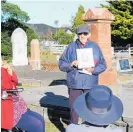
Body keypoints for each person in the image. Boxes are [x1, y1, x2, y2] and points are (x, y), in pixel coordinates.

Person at [59, 24, 107, 124]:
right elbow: (61, 64)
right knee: (74, 110)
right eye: (80, 33)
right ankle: (74, 128)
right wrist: (71, 64)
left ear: (89, 34)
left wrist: (93, 69)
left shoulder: (95, 47)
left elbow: (103, 64)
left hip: (90, 84)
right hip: (75, 84)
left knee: (90, 111)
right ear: (77, 34)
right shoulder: (71, 47)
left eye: (85, 33)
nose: (83, 36)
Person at [1, 60, 45, 132]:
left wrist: (10, 71)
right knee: (38, 125)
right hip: (10, 114)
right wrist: (3, 71)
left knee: (41, 119)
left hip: (20, 108)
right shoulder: (2, 72)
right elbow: (6, 86)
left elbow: (15, 81)